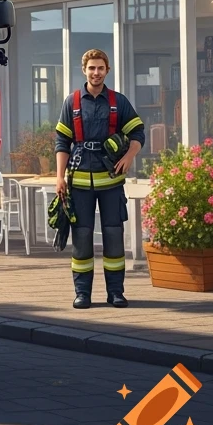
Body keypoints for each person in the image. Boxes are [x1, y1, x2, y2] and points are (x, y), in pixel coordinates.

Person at [54, 49, 145, 309]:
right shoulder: (71, 103)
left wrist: (129, 156)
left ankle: (116, 293)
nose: (96, 73)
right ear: (84, 70)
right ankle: (82, 293)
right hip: (79, 184)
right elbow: (62, 141)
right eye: (91, 68)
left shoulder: (118, 101)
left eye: (100, 68)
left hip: (111, 183)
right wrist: (59, 178)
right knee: (81, 239)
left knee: (113, 237)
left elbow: (138, 132)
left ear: (107, 70)